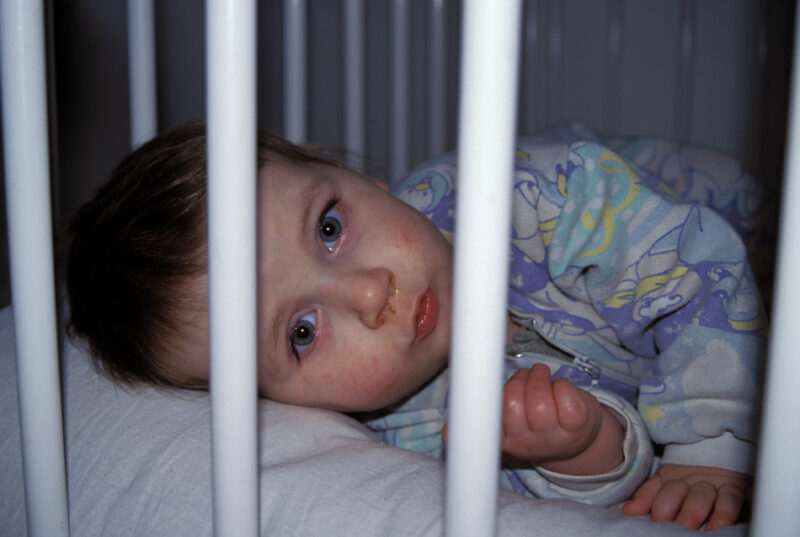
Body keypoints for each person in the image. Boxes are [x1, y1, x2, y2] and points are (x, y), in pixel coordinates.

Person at [65, 121, 767, 531]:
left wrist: (713, 442)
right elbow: (617, 476)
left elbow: (688, 267)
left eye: (330, 228)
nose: (372, 292)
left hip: (703, 205)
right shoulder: (407, 430)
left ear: (343, 170)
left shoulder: (525, 196)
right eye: (301, 333)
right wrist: (579, 449)